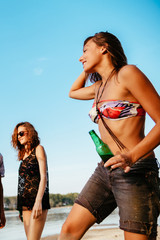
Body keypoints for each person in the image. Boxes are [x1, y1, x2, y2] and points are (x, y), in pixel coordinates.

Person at [60, 32, 160, 240]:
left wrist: (131, 156)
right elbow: (72, 92)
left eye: (85, 50)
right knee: (68, 231)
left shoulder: (127, 74)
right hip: (106, 169)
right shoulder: (98, 87)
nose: (81, 57)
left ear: (103, 48)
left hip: (136, 169)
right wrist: (87, 70)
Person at [11, 122, 50, 240]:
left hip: (37, 200)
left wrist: (38, 202)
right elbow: (22, 183)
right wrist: (20, 209)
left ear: (30, 133)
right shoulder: (23, 156)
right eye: (17, 135)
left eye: (22, 133)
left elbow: (44, 177)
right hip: (24, 204)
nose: (19, 137)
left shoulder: (39, 149)